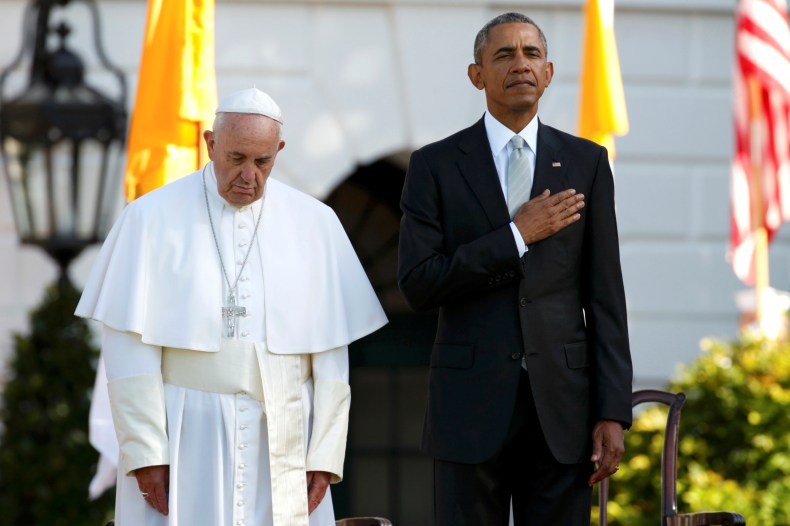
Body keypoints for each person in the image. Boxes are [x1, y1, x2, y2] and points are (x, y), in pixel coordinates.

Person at [76, 87, 388, 526]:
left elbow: (331, 356)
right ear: (210, 144)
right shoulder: (150, 218)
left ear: (278, 151)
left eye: (263, 162)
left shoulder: (316, 223)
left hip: (284, 431)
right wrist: (146, 452)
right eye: (236, 158)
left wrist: (324, 452)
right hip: (186, 431)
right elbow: (128, 349)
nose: (249, 176)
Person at [397, 12, 633, 526]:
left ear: (548, 73)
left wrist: (612, 411)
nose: (520, 64)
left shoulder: (587, 162)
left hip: (563, 410)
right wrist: (515, 236)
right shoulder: (434, 166)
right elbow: (419, 284)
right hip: (467, 407)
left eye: (531, 54)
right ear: (476, 74)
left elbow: (606, 296)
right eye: (503, 54)